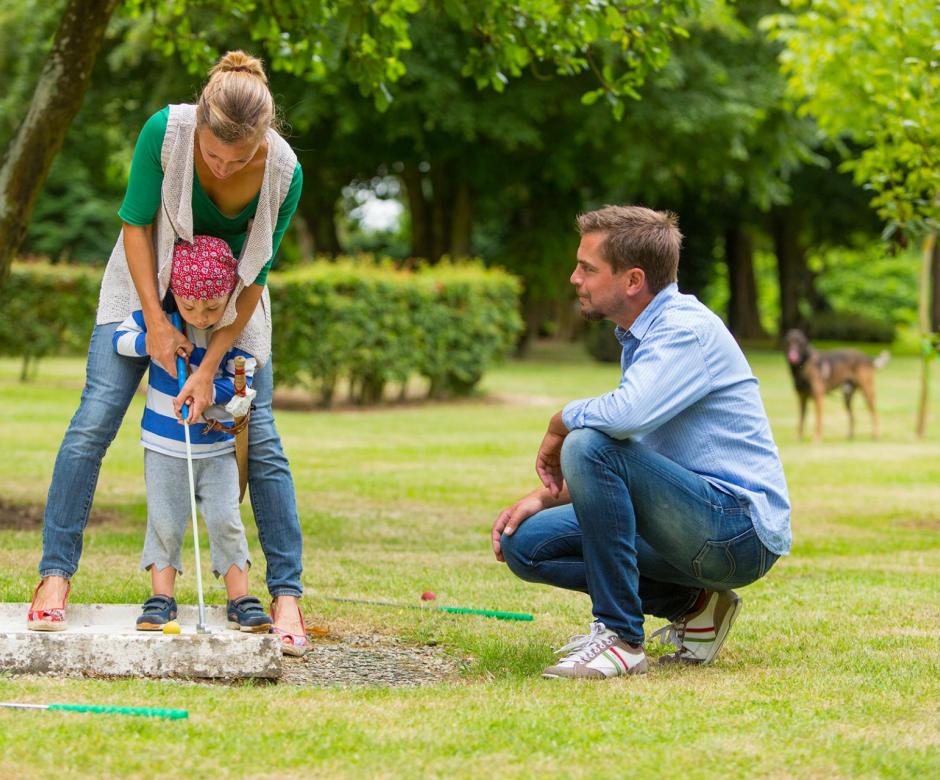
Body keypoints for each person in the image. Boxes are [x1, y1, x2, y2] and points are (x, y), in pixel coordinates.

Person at [28, 50, 309, 654]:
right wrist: (155, 324)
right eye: (213, 154)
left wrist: (211, 366)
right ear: (200, 124)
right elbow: (135, 224)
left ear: (263, 138)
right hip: (144, 286)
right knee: (94, 421)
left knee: (259, 435)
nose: (224, 166)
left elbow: (255, 275)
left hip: (230, 308)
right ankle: (54, 576)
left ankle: (286, 595)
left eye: (240, 158)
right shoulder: (167, 130)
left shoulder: (285, 172)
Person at [491, 205, 791, 679]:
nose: (574, 278)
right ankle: (697, 606)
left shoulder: (682, 332)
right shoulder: (642, 336)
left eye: (587, 268)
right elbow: (640, 458)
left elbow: (619, 424)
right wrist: (546, 497)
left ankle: (622, 638)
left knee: (586, 440)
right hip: (690, 518)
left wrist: (559, 421)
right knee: (527, 544)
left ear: (633, 281)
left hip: (737, 530)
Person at [113, 235, 274, 635]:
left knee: (225, 520)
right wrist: (159, 341)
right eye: (190, 307)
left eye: (212, 308)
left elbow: (242, 381)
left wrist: (207, 387)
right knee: (165, 521)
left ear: (228, 300)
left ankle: (240, 598)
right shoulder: (162, 319)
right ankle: (161, 598)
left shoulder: (233, 332)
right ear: (177, 296)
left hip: (216, 448)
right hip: (165, 445)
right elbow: (120, 338)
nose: (201, 316)